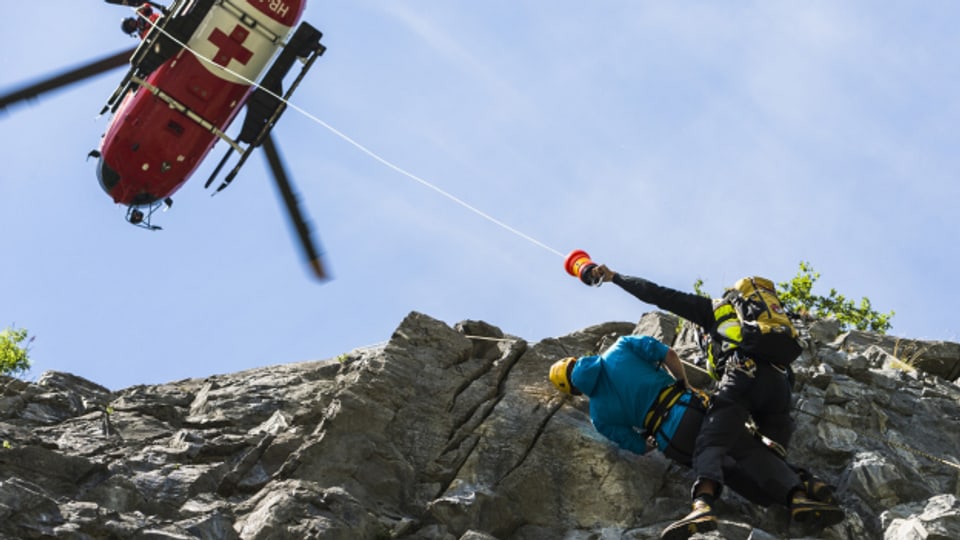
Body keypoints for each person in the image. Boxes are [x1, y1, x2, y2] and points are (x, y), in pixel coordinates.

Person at [549, 334, 843, 540]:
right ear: (578, 358)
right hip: (689, 409)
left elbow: (637, 446)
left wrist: (651, 440)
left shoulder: (598, 414)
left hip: (672, 441)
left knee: (730, 473)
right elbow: (670, 355)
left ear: (574, 390)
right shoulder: (621, 347)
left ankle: (791, 498)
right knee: (748, 451)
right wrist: (683, 384)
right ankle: (800, 492)